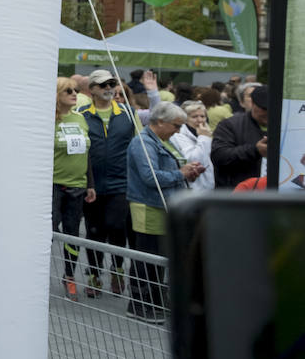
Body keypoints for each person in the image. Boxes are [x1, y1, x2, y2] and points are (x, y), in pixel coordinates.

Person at [126, 103, 202, 322]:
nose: (178, 131)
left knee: (159, 257)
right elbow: (150, 178)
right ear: (159, 122)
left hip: (163, 205)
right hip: (149, 207)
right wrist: (181, 174)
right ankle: (139, 304)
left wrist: (188, 173)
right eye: (176, 126)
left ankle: (156, 300)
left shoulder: (163, 141)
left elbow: (171, 171)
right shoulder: (142, 143)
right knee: (146, 257)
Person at [77, 69, 137, 298]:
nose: (109, 88)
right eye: (103, 85)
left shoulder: (128, 113)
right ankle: (94, 273)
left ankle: (118, 269)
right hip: (91, 183)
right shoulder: (81, 113)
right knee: (94, 231)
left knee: (116, 226)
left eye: (112, 83)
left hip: (121, 182)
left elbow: (138, 144)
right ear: (91, 89)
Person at [53, 77, 94, 300]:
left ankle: (69, 275)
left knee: (73, 233)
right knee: (47, 233)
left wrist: (90, 184)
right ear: (57, 95)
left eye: (76, 90)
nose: (74, 93)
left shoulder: (80, 119)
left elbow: (87, 154)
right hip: (53, 185)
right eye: (68, 90)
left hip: (77, 184)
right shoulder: (48, 120)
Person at [211, 84, 269, 188]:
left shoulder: (286, 127)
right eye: (264, 108)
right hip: (238, 196)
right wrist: (255, 150)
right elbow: (219, 156)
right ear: (253, 104)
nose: (268, 113)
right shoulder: (230, 125)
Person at [171, 100, 214, 191]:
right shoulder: (179, 135)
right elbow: (195, 160)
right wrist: (203, 137)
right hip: (192, 188)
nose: (199, 120)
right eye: (194, 117)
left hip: (207, 187)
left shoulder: (204, 132)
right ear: (185, 119)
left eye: (202, 116)